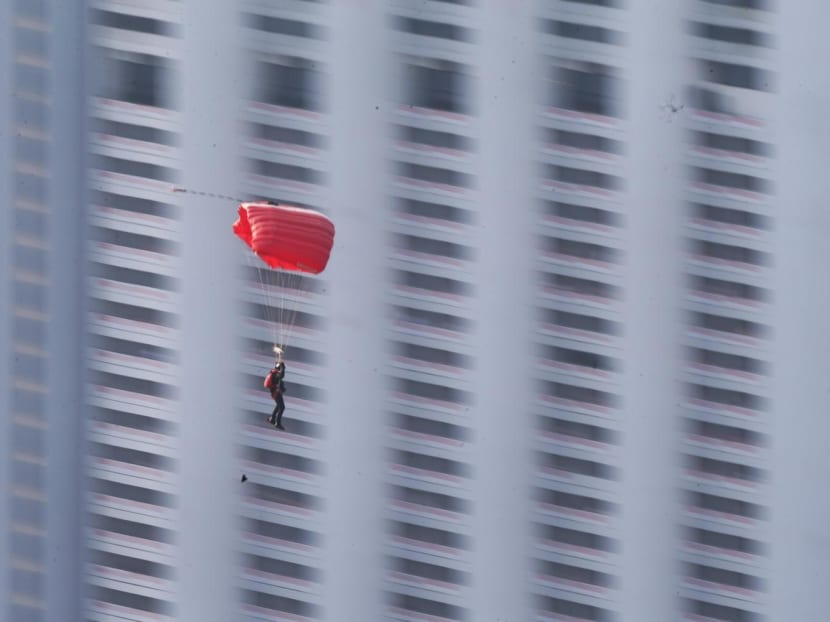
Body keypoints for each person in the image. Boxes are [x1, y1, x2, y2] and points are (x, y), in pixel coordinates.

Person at [264, 358, 286, 430]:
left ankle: (272, 419)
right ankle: (278, 423)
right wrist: (282, 366)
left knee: (278, 406)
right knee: (282, 407)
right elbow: (281, 375)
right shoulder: (276, 374)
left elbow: (279, 381)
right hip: (276, 393)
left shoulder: (273, 372)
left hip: (275, 393)